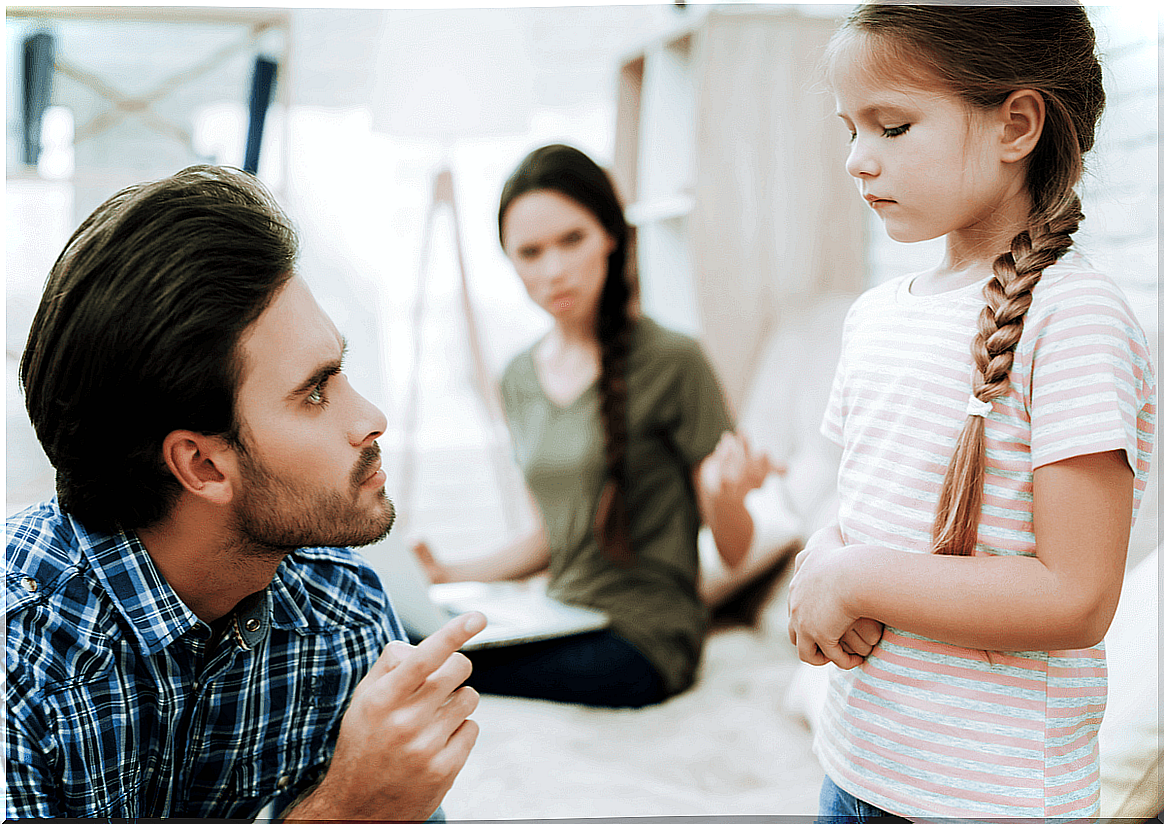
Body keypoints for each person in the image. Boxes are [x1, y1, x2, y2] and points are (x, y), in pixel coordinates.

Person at [5, 165, 485, 820]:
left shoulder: (341, 610)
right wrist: (342, 811)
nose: (371, 416)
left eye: (341, 371)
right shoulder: (21, 665)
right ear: (201, 465)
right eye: (315, 391)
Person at [785, 4, 1157, 820]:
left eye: (892, 126)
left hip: (991, 801)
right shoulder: (875, 315)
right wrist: (823, 561)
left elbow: (1076, 597)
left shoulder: (1076, 319)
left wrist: (853, 577)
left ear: (1016, 124)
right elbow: (871, 512)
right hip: (855, 768)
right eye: (850, 128)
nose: (856, 160)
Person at [413, 143, 774, 708]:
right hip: (560, 618)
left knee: (421, 660)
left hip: (647, 639)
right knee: (403, 639)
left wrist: (724, 495)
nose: (553, 269)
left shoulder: (673, 360)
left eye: (572, 240)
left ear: (610, 235)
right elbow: (554, 540)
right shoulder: (518, 378)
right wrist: (445, 572)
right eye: (530, 253)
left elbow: (734, 550)